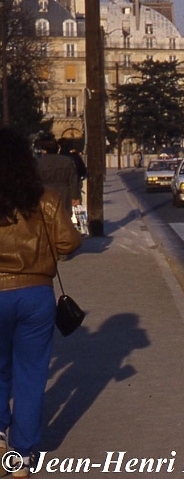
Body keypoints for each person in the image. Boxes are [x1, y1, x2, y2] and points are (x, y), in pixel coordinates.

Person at [0, 127, 83, 475]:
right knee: (31, 376)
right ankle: (20, 457)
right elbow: (70, 243)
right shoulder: (45, 199)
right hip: (36, 295)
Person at [34, 134, 80, 215]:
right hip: (64, 195)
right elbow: (73, 181)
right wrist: (75, 196)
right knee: (63, 220)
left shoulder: (38, 163)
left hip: (45, 195)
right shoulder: (67, 161)